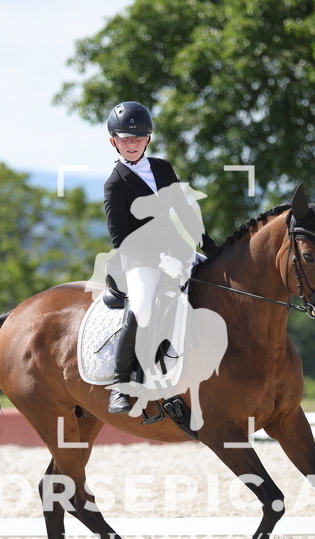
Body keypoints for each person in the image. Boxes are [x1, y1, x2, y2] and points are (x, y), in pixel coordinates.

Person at [102, 101, 217, 414]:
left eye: (139, 137)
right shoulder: (115, 184)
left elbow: (184, 210)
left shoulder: (163, 168)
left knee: (219, 282)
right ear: (113, 141)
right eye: (125, 138)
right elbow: (120, 239)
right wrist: (160, 261)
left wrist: (209, 246)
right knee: (141, 308)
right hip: (139, 260)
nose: (133, 143)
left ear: (148, 139)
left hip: (178, 251)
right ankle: (120, 383)